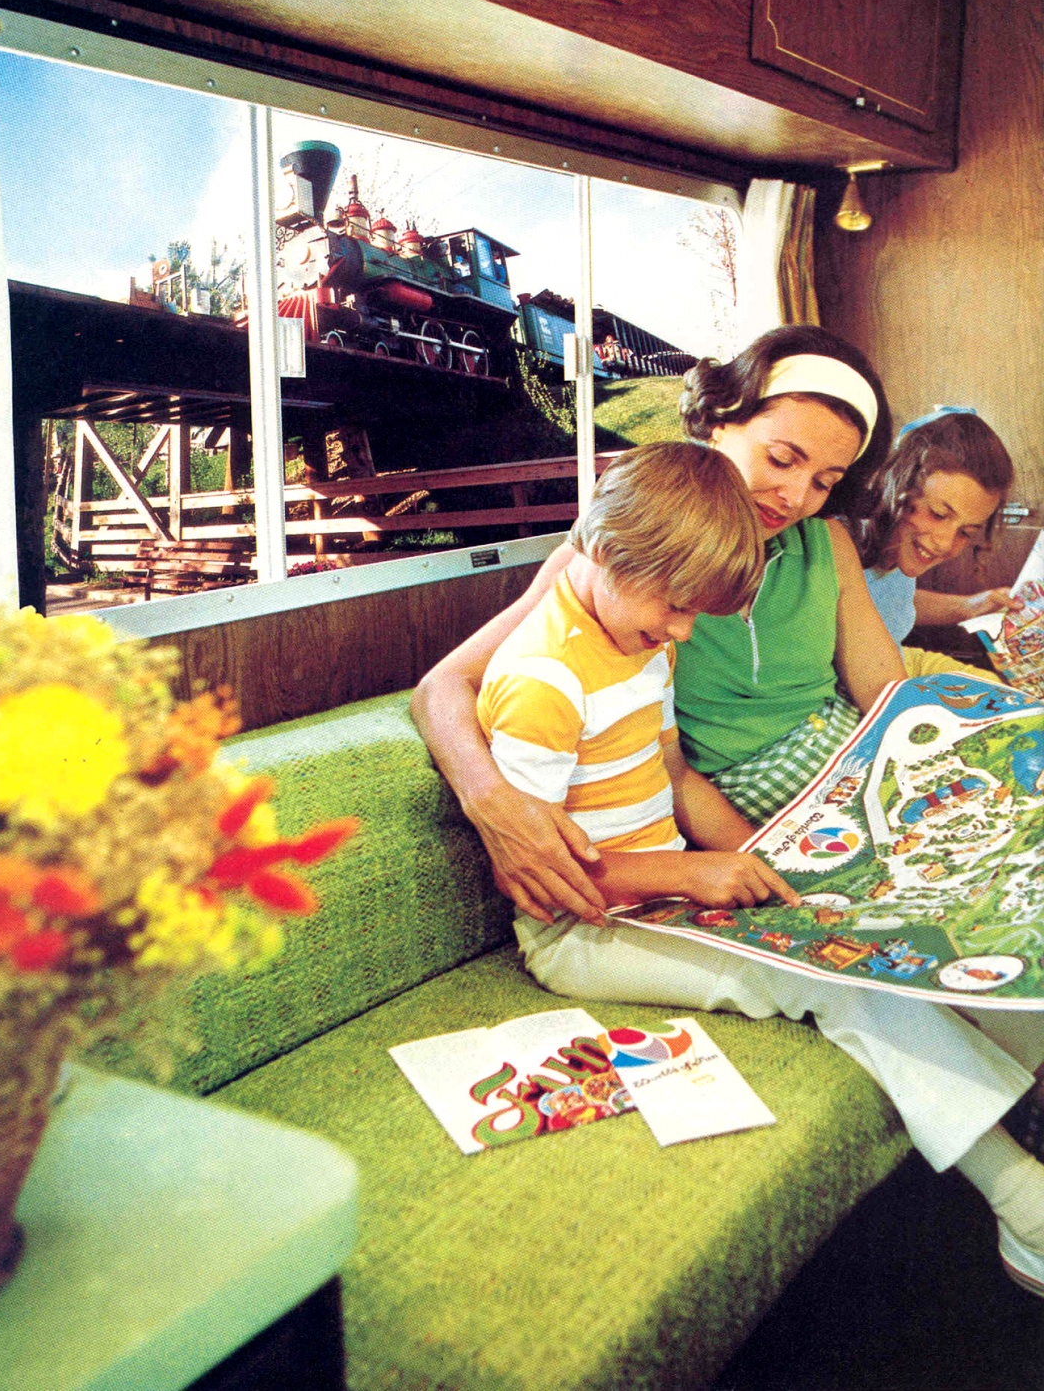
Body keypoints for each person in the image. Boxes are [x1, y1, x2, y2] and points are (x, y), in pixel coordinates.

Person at [410, 324, 1044, 1296]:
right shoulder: (630, 559)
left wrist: (976, 762)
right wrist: (495, 802)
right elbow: (446, 686)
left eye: (824, 480)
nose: (792, 496)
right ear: (716, 422)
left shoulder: (807, 553)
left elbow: (882, 700)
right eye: (780, 458)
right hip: (669, 861)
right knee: (860, 961)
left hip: (804, 810)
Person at [478, 442, 799, 913]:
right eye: (677, 605)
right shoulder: (543, 682)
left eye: (696, 613)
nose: (683, 633)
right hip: (581, 921)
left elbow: (676, 776)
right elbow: (533, 871)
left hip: (666, 897)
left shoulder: (647, 643)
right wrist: (687, 873)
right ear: (606, 551)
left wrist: (770, 864)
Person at [848, 407, 1015, 679]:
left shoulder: (900, 547)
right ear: (900, 486)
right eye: (938, 515)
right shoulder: (840, 545)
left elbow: (893, 600)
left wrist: (971, 606)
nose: (945, 544)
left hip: (896, 657)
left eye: (966, 532)